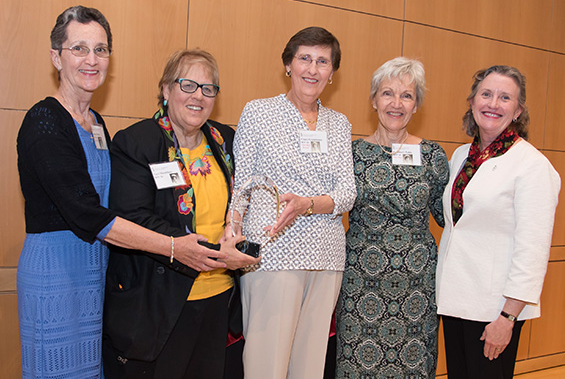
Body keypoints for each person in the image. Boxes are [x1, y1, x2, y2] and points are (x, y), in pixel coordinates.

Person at [16, 6, 227, 379]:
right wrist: (175, 247)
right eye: (79, 48)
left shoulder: (97, 123)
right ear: (56, 57)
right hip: (58, 269)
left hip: (99, 269)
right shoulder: (44, 120)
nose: (91, 60)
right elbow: (87, 213)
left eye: (100, 50)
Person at [102, 49, 259, 379]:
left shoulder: (225, 139)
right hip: (159, 303)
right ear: (165, 89)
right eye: (187, 85)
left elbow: (242, 201)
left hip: (217, 299)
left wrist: (236, 233)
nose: (198, 96)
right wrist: (207, 250)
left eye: (208, 88)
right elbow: (134, 215)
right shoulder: (137, 142)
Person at [232, 26, 357, 378]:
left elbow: (347, 192)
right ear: (288, 64)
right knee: (265, 363)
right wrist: (233, 230)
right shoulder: (258, 112)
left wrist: (307, 204)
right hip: (272, 252)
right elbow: (241, 185)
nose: (312, 69)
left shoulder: (340, 124)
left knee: (309, 365)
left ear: (332, 73)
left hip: (327, 257)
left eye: (322, 61)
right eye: (304, 58)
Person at [436, 65, 561, 379]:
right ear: (473, 101)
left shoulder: (532, 166)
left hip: (494, 310)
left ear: (518, 111)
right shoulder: (462, 155)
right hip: (455, 303)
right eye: (486, 94)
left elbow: (532, 251)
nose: (493, 103)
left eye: (505, 97)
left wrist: (507, 317)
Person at [335, 57, 449, 378]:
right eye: (387, 93)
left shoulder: (433, 155)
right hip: (360, 282)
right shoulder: (352, 153)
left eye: (407, 96)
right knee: (357, 363)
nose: (396, 103)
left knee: (411, 365)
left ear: (417, 106)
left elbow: (449, 218)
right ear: (374, 100)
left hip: (416, 284)